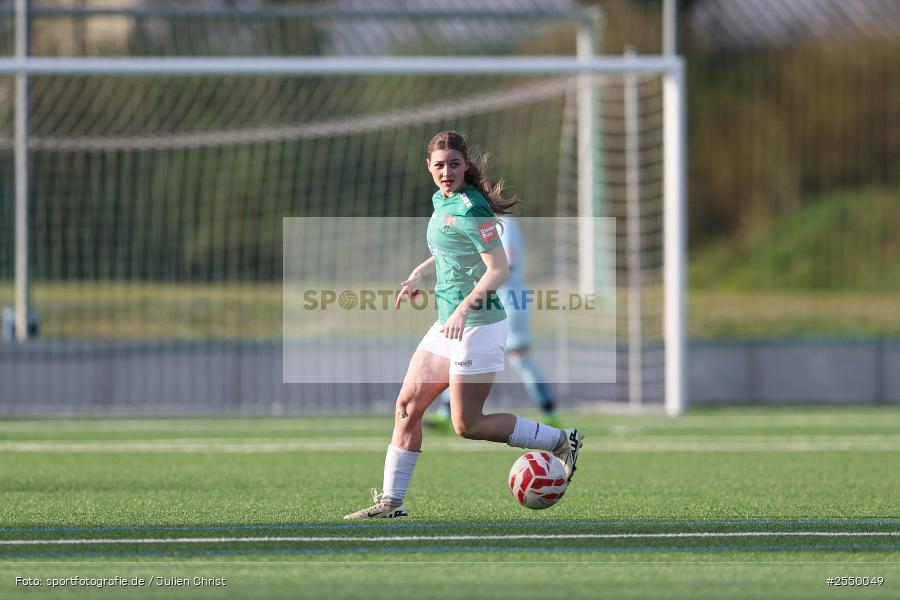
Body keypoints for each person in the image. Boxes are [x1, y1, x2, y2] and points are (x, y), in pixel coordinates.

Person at [344, 131, 583, 519]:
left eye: (454, 164)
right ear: (429, 167)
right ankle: (392, 502)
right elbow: (448, 247)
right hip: (447, 324)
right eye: (439, 165)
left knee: (467, 423)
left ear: (465, 165)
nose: (446, 172)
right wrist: (421, 273)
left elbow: (499, 269)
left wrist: (463, 309)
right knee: (407, 407)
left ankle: (561, 440)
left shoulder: (474, 208)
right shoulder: (442, 200)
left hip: (478, 324)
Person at [426, 214, 560, 431]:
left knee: (519, 357)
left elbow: (505, 265)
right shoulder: (474, 220)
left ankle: (550, 411)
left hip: (508, 299)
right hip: (490, 298)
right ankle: (445, 412)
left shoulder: (502, 224)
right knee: (460, 349)